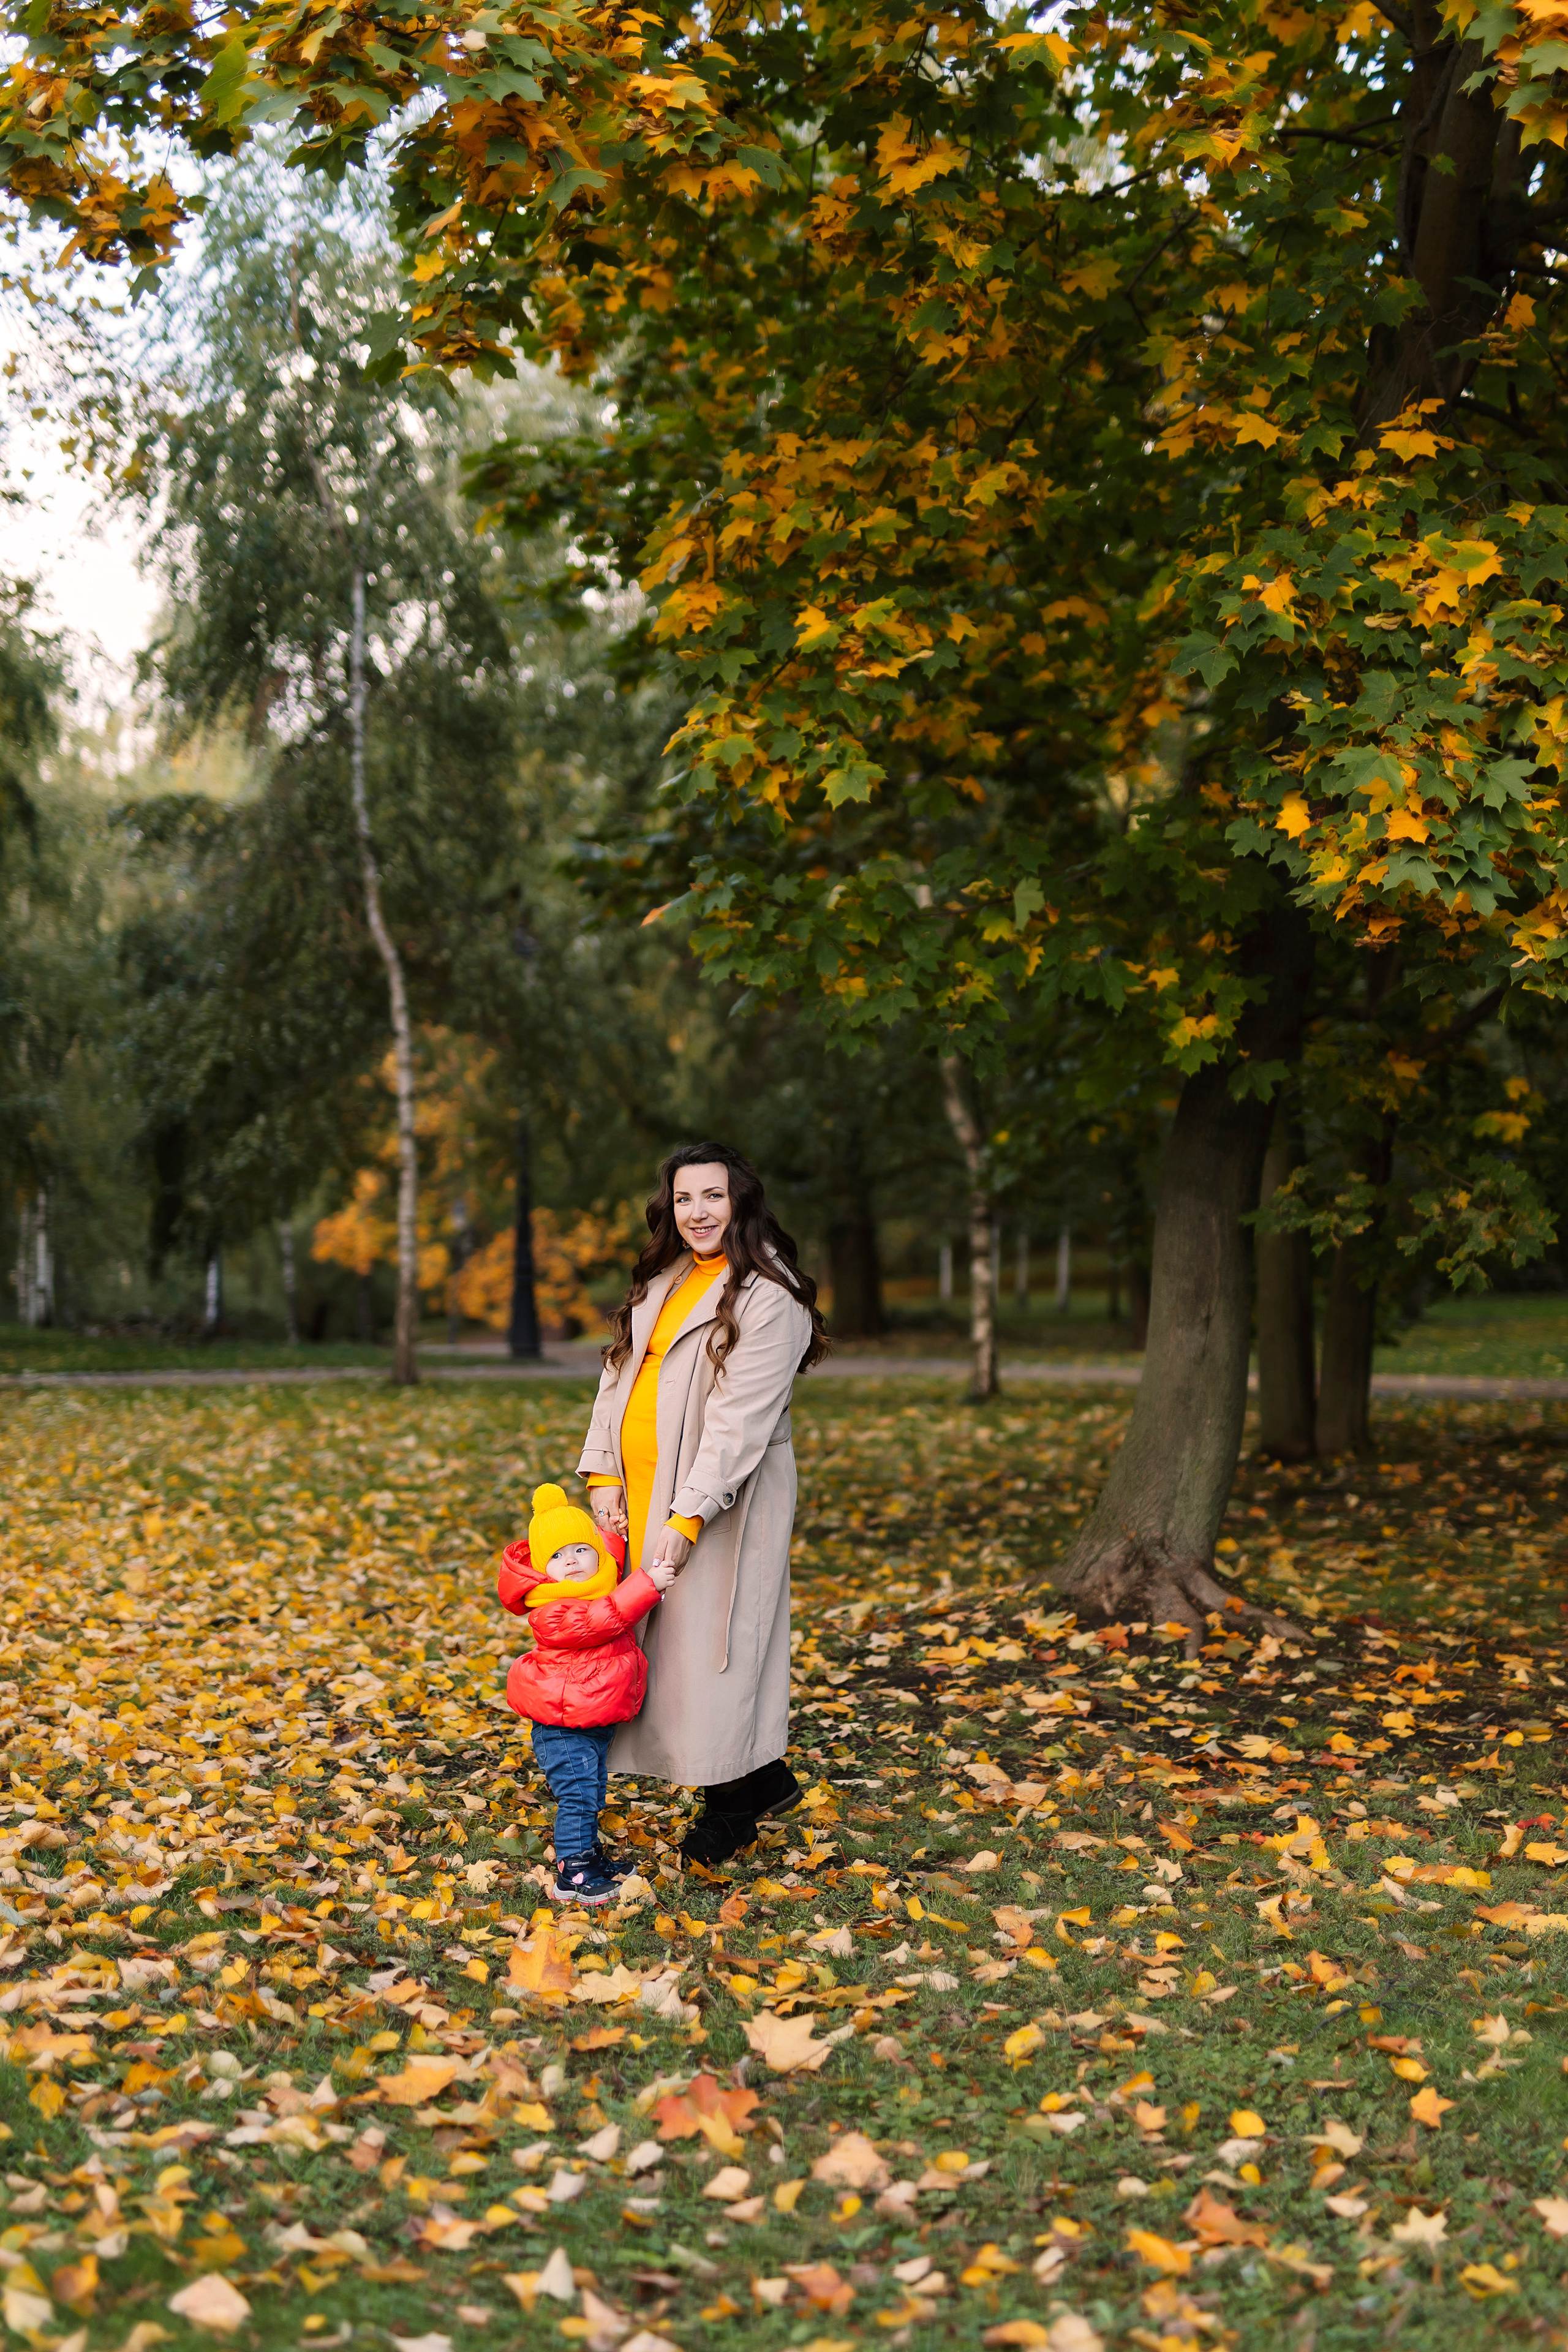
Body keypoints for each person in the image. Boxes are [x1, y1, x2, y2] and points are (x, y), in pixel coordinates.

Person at [577, 1143, 830, 1866]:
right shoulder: (667, 1279)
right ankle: (763, 1780)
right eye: (684, 1199)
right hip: (641, 1490)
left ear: (740, 1200)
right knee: (663, 1647)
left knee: (713, 1649)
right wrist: (602, 1471)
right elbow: (617, 1376)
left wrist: (689, 1514)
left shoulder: (769, 1297)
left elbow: (736, 1425)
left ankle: (733, 1808)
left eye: (712, 1196)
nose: (697, 1212)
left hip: (719, 1497)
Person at [498, 1480, 679, 1904]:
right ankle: (573, 1872)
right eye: (557, 1556)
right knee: (577, 1797)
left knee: (591, 1792)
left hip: (586, 1720)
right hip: (562, 1727)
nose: (572, 1561)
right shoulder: (551, 1610)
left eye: (580, 1549)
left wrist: (612, 1531)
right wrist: (648, 1584)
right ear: (543, 1569)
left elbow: (607, 1558)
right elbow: (601, 1619)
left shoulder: (594, 1582)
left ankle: (589, 1857)